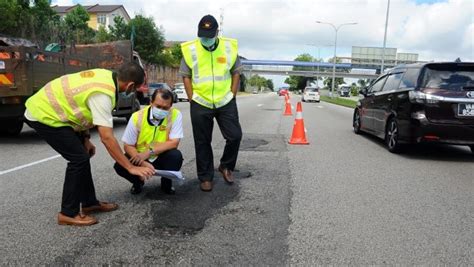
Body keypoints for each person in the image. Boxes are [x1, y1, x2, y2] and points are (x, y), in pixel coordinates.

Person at [24, 62, 155, 226]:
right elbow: (107, 137)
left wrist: (85, 138)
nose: (133, 92)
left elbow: (80, 108)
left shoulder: (106, 75)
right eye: (135, 89)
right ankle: (67, 213)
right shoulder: (103, 94)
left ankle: (89, 203)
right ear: (130, 86)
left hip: (57, 112)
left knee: (82, 155)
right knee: (78, 159)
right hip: (43, 115)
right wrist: (130, 167)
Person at [180, 14, 243, 192]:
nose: (205, 39)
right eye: (203, 35)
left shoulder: (229, 47)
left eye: (209, 35)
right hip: (201, 101)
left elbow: (236, 71)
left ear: (216, 32)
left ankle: (226, 166)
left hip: (225, 100)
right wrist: (192, 98)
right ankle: (205, 177)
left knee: (235, 136)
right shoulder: (190, 49)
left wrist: (232, 93)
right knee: (202, 141)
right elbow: (185, 75)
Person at [113, 88, 184, 195]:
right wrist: (142, 162)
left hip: (160, 155)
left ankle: (166, 183)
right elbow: (128, 145)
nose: (161, 110)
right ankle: (138, 182)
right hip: (139, 156)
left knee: (176, 156)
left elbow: (174, 143)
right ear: (151, 102)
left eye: (165, 108)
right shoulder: (137, 116)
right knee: (120, 164)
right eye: (158, 106)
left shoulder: (175, 114)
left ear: (171, 106)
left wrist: (149, 153)